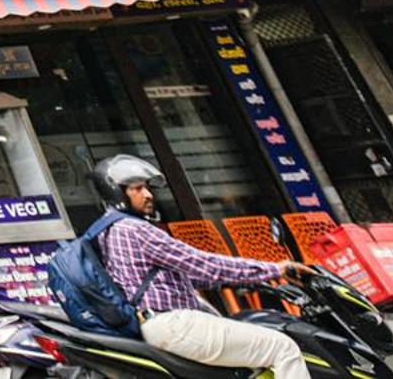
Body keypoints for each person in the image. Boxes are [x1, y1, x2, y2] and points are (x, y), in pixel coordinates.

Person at [90, 155, 310, 379]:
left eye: (147, 187)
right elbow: (201, 263)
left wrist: (245, 280)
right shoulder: (135, 229)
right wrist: (275, 269)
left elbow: (180, 274)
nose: (148, 194)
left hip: (157, 325)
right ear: (118, 193)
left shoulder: (109, 230)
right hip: (174, 324)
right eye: (138, 188)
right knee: (284, 348)